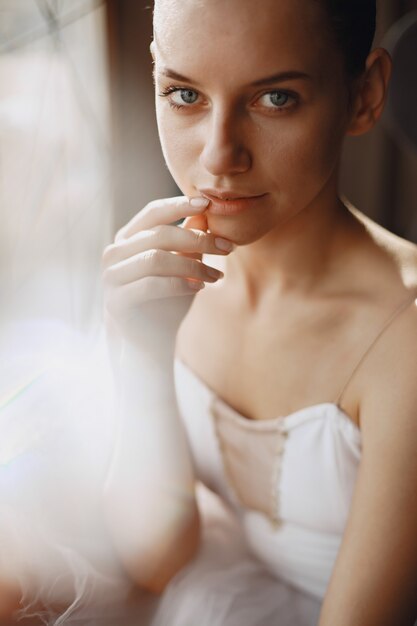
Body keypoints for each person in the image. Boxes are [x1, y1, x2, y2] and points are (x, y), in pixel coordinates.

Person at [101, 0, 417, 624]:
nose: (219, 157)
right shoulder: (163, 269)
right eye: (185, 94)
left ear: (364, 94)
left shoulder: (403, 342)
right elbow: (156, 557)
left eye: (274, 99)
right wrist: (141, 352)